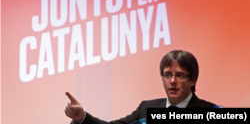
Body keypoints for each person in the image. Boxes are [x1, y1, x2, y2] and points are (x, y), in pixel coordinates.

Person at [65, 50, 218, 124]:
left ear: (193, 80)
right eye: (167, 75)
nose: (172, 81)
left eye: (180, 75)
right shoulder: (146, 108)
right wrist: (81, 117)